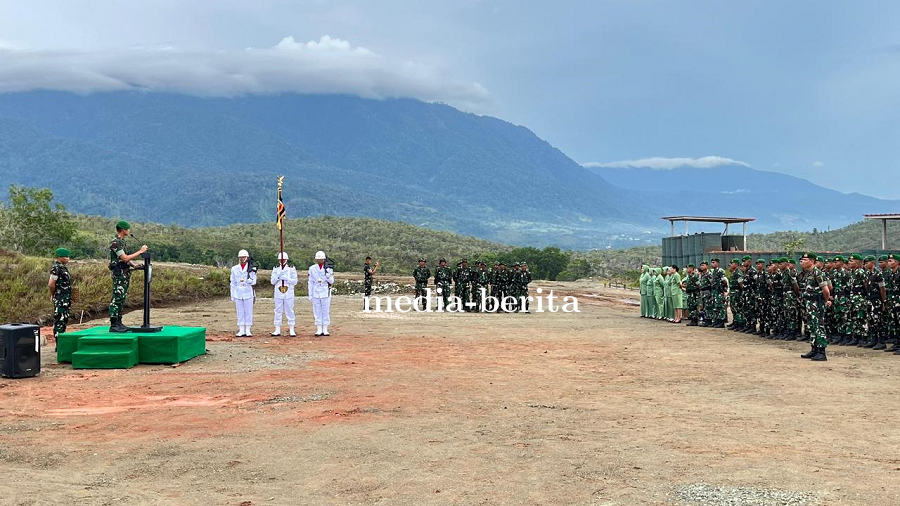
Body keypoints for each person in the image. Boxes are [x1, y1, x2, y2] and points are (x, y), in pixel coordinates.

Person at [108, 221, 148, 333]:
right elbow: (124, 258)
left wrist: (134, 265)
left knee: (122, 298)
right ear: (123, 230)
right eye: (128, 229)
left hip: (124, 272)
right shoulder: (115, 242)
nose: (129, 231)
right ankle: (114, 324)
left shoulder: (122, 242)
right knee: (117, 298)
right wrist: (140, 251)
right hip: (119, 273)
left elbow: (126, 260)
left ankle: (119, 322)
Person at [798, 253, 832, 361]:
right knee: (812, 327)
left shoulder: (818, 273)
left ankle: (822, 352)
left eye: (805, 260)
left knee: (818, 327)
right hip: (809, 303)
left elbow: (826, 289)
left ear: (812, 261)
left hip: (816, 304)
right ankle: (814, 349)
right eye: (801, 260)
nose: (802, 262)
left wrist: (826, 300)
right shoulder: (808, 273)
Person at [49, 247, 73, 347]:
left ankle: (62, 342)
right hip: (60, 298)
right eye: (65, 256)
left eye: (68, 256)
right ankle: (59, 344)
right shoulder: (56, 268)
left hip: (66, 298)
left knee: (64, 319)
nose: (68, 258)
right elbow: (51, 284)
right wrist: (52, 294)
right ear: (59, 257)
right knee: (59, 320)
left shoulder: (63, 267)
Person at [270, 252, 298, 337]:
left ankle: (292, 328)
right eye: (281, 260)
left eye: (284, 260)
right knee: (278, 310)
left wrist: (288, 279)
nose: (282, 261)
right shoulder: (276, 269)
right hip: (278, 291)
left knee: (289, 310)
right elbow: (272, 281)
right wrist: (278, 276)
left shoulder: (291, 269)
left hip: (288, 291)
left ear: (286, 259)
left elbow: (295, 281)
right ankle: (277, 329)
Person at [230, 249, 257, 337]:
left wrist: (250, 281)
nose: (242, 259)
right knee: (240, 311)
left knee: (248, 311)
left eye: (244, 257)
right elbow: (233, 282)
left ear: (247, 258)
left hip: (247, 290)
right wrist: (232, 294)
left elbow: (254, 281)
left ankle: (248, 329)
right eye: (240, 257)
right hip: (238, 291)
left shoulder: (251, 268)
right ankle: (241, 329)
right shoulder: (234, 268)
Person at [308, 250, 334, 336]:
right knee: (317, 311)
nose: (320, 261)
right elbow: (310, 281)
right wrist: (310, 294)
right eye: (318, 259)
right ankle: (319, 328)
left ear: (324, 259)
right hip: (315, 290)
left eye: (321, 259)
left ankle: (325, 328)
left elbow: (332, 281)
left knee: (325, 310)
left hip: (325, 291)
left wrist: (328, 275)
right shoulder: (312, 268)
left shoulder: (328, 268)